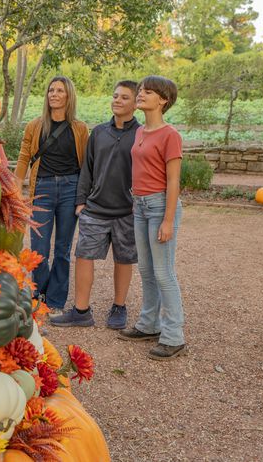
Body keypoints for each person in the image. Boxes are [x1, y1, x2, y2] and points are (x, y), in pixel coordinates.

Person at [52, 80, 140, 329]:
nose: (117, 101)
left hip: (127, 211)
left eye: (124, 97)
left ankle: (119, 306)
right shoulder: (99, 132)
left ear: (135, 103)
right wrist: (81, 201)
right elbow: (87, 169)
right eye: (115, 96)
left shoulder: (141, 134)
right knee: (83, 256)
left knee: (124, 259)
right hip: (95, 209)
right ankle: (81, 311)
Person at [118, 75, 187, 361]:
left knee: (164, 273)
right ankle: (149, 324)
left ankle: (174, 336)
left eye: (148, 92)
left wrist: (168, 220)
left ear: (163, 100)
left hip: (160, 206)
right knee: (146, 270)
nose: (141, 94)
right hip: (140, 206)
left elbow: (173, 181)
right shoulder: (140, 132)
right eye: (141, 90)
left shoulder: (170, 135)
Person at [14, 76, 88, 316]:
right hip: (42, 189)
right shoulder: (35, 126)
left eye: (60, 91)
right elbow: (25, 157)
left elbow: (86, 164)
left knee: (63, 249)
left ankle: (55, 301)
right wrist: (16, 189)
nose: (54, 94)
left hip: (70, 188)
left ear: (69, 96)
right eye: (51, 90)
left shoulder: (79, 128)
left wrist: (83, 197)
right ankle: (40, 296)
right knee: (39, 249)